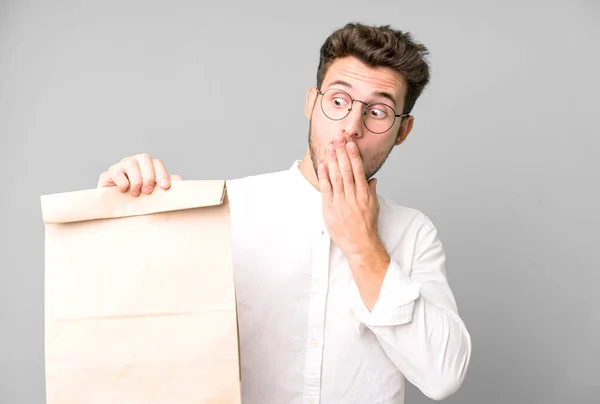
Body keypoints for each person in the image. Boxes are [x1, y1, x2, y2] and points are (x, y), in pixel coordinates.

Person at [97, 22, 471, 404]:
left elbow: (442, 376)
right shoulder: (228, 208)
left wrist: (363, 246)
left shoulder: (413, 233)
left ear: (402, 131)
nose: (351, 127)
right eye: (339, 101)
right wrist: (118, 214)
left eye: (377, 111)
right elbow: (131, 327)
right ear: (312, 103)